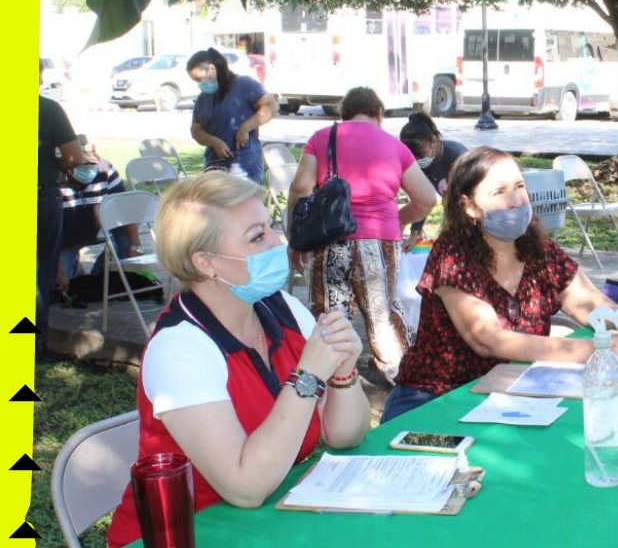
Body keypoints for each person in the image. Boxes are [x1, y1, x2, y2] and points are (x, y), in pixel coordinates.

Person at [107, 171, 371, 547]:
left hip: (274, 523)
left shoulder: (284, 309)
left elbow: (343, 435)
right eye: (258, 236)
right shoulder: (178, 349)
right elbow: (245, 488)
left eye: (271, 228)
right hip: (190, 536)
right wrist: (308, 376)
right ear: (206, 263)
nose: (279, 243)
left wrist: (343, 372)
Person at [383, 147, 618, 422]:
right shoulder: (451, 254)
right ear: (470, 207)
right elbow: (489, 341)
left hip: (510, 395)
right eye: (499, 192)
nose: (516, 200)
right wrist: (593, 350)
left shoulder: (539, 247)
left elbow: (587, 300)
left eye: (519, 186)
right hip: (434, 399)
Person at [288, 87, 438, 383]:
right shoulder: (395, 147)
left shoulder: (321, 138)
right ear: (379, 114)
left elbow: (302, 188)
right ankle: (403, 378)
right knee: (382, 314)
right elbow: (427, 199)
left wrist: (296, 236)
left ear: (344, 114)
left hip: (331, 238)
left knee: (331, 312)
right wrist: (398, 221)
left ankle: (329, 377)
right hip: (380, 241)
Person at [38, 59, 88, 344]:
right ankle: (33, 345)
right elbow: (74, 157)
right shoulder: (48, 109)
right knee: (40, 271)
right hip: (41, 194)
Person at [56, 135, 141, 293]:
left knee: (124, 240)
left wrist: (134, 246)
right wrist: (58, 268)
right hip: (61, 238)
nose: (89, 168)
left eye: (92, 163)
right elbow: (44, 232)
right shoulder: (54, 177)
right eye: (83, 163)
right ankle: (72, 265)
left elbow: (124, 208)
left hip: (92, 226)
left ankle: (100, 276)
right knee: (57, 286)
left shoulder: (105, 168)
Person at [187, 48, 278, 183]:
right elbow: (196, 130)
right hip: (215, 165)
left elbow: (271, 105)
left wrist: (245, 128)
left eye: (200, 79)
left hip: (244, 162)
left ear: (212, 69)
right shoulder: (204, 98)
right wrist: (214, 142)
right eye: (196, 81)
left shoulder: (244, 85)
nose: (200, 84)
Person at [399, 111, 468, 250]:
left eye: (420, 154)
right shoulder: (421, 164)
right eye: (412, 157)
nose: (417, 160)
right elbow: (421, 201)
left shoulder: (458, 157)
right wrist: (414, 233)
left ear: (434, 140)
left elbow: (469, 201)